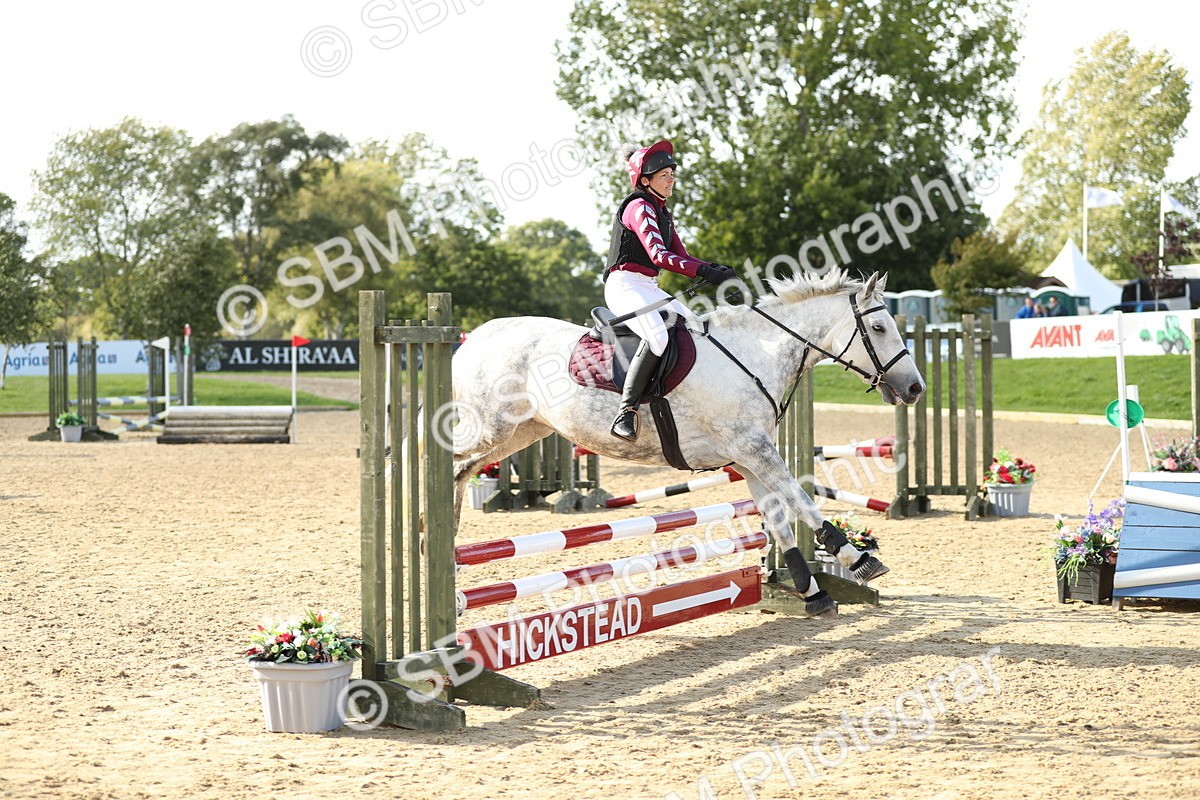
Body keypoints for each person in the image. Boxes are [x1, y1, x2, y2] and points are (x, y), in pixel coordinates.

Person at [604, 140, 735, 443]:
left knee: (697, 330)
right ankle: (626, 412)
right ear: (645, 180)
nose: (672, 179)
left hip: (648, 287)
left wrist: (715, 267)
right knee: (658, 336)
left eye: (672, 174)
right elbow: (659, 256)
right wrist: (703, 271)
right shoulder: (639, 207)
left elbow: (683, 255)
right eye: (665, 175)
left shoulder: (663, 213)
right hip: (624, 286)